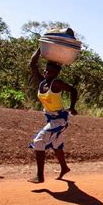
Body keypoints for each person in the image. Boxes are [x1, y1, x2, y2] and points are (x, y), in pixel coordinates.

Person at [28, 48, 78, 183]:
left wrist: (72, 107)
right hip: (51, 118)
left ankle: (40, 176)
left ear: (56, 73)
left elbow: (73, 90)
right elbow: (32, 64)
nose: (45, 72)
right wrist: (41, 48)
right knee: (56, 144)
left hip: (60, 119)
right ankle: (64, 167)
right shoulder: (42, 83)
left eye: (49, 71)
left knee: (39, 141)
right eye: (45, 70)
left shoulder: (56, 83)